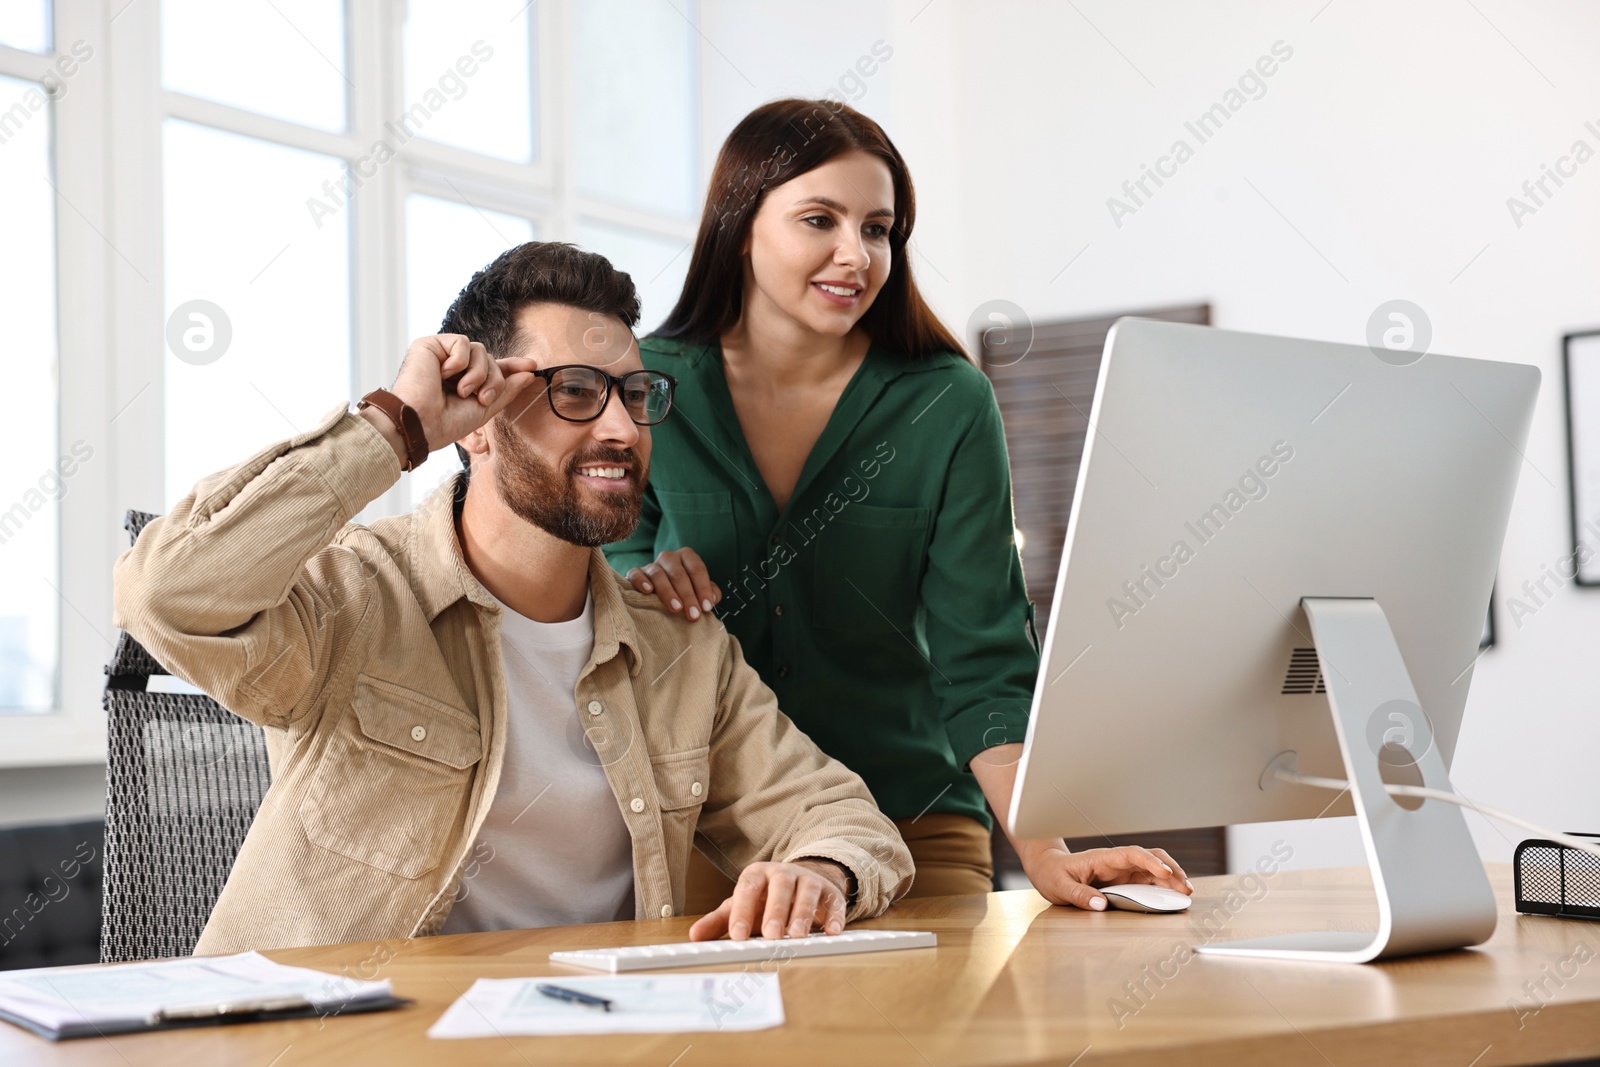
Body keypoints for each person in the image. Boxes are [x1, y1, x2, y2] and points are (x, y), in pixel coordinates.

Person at [113, 241, 913, 955]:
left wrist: (819, 870)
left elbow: (839, 815)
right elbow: (165, 594)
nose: (623, 429)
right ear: (478, 422)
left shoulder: (680, 649)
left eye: (635, 394)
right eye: (573, 390)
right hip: (340, 1045)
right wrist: (393, 429)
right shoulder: (355, 597)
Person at [604, 99, 1192, 910]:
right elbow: (591, 572)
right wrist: (643, 574)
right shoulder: (644, 387)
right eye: (820, 219)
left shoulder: (947, 405)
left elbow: (981, 658)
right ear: (740, 226)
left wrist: (1048, 850)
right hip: (706, 833)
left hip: (910, 831)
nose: (856, 254)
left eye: (878, 228)